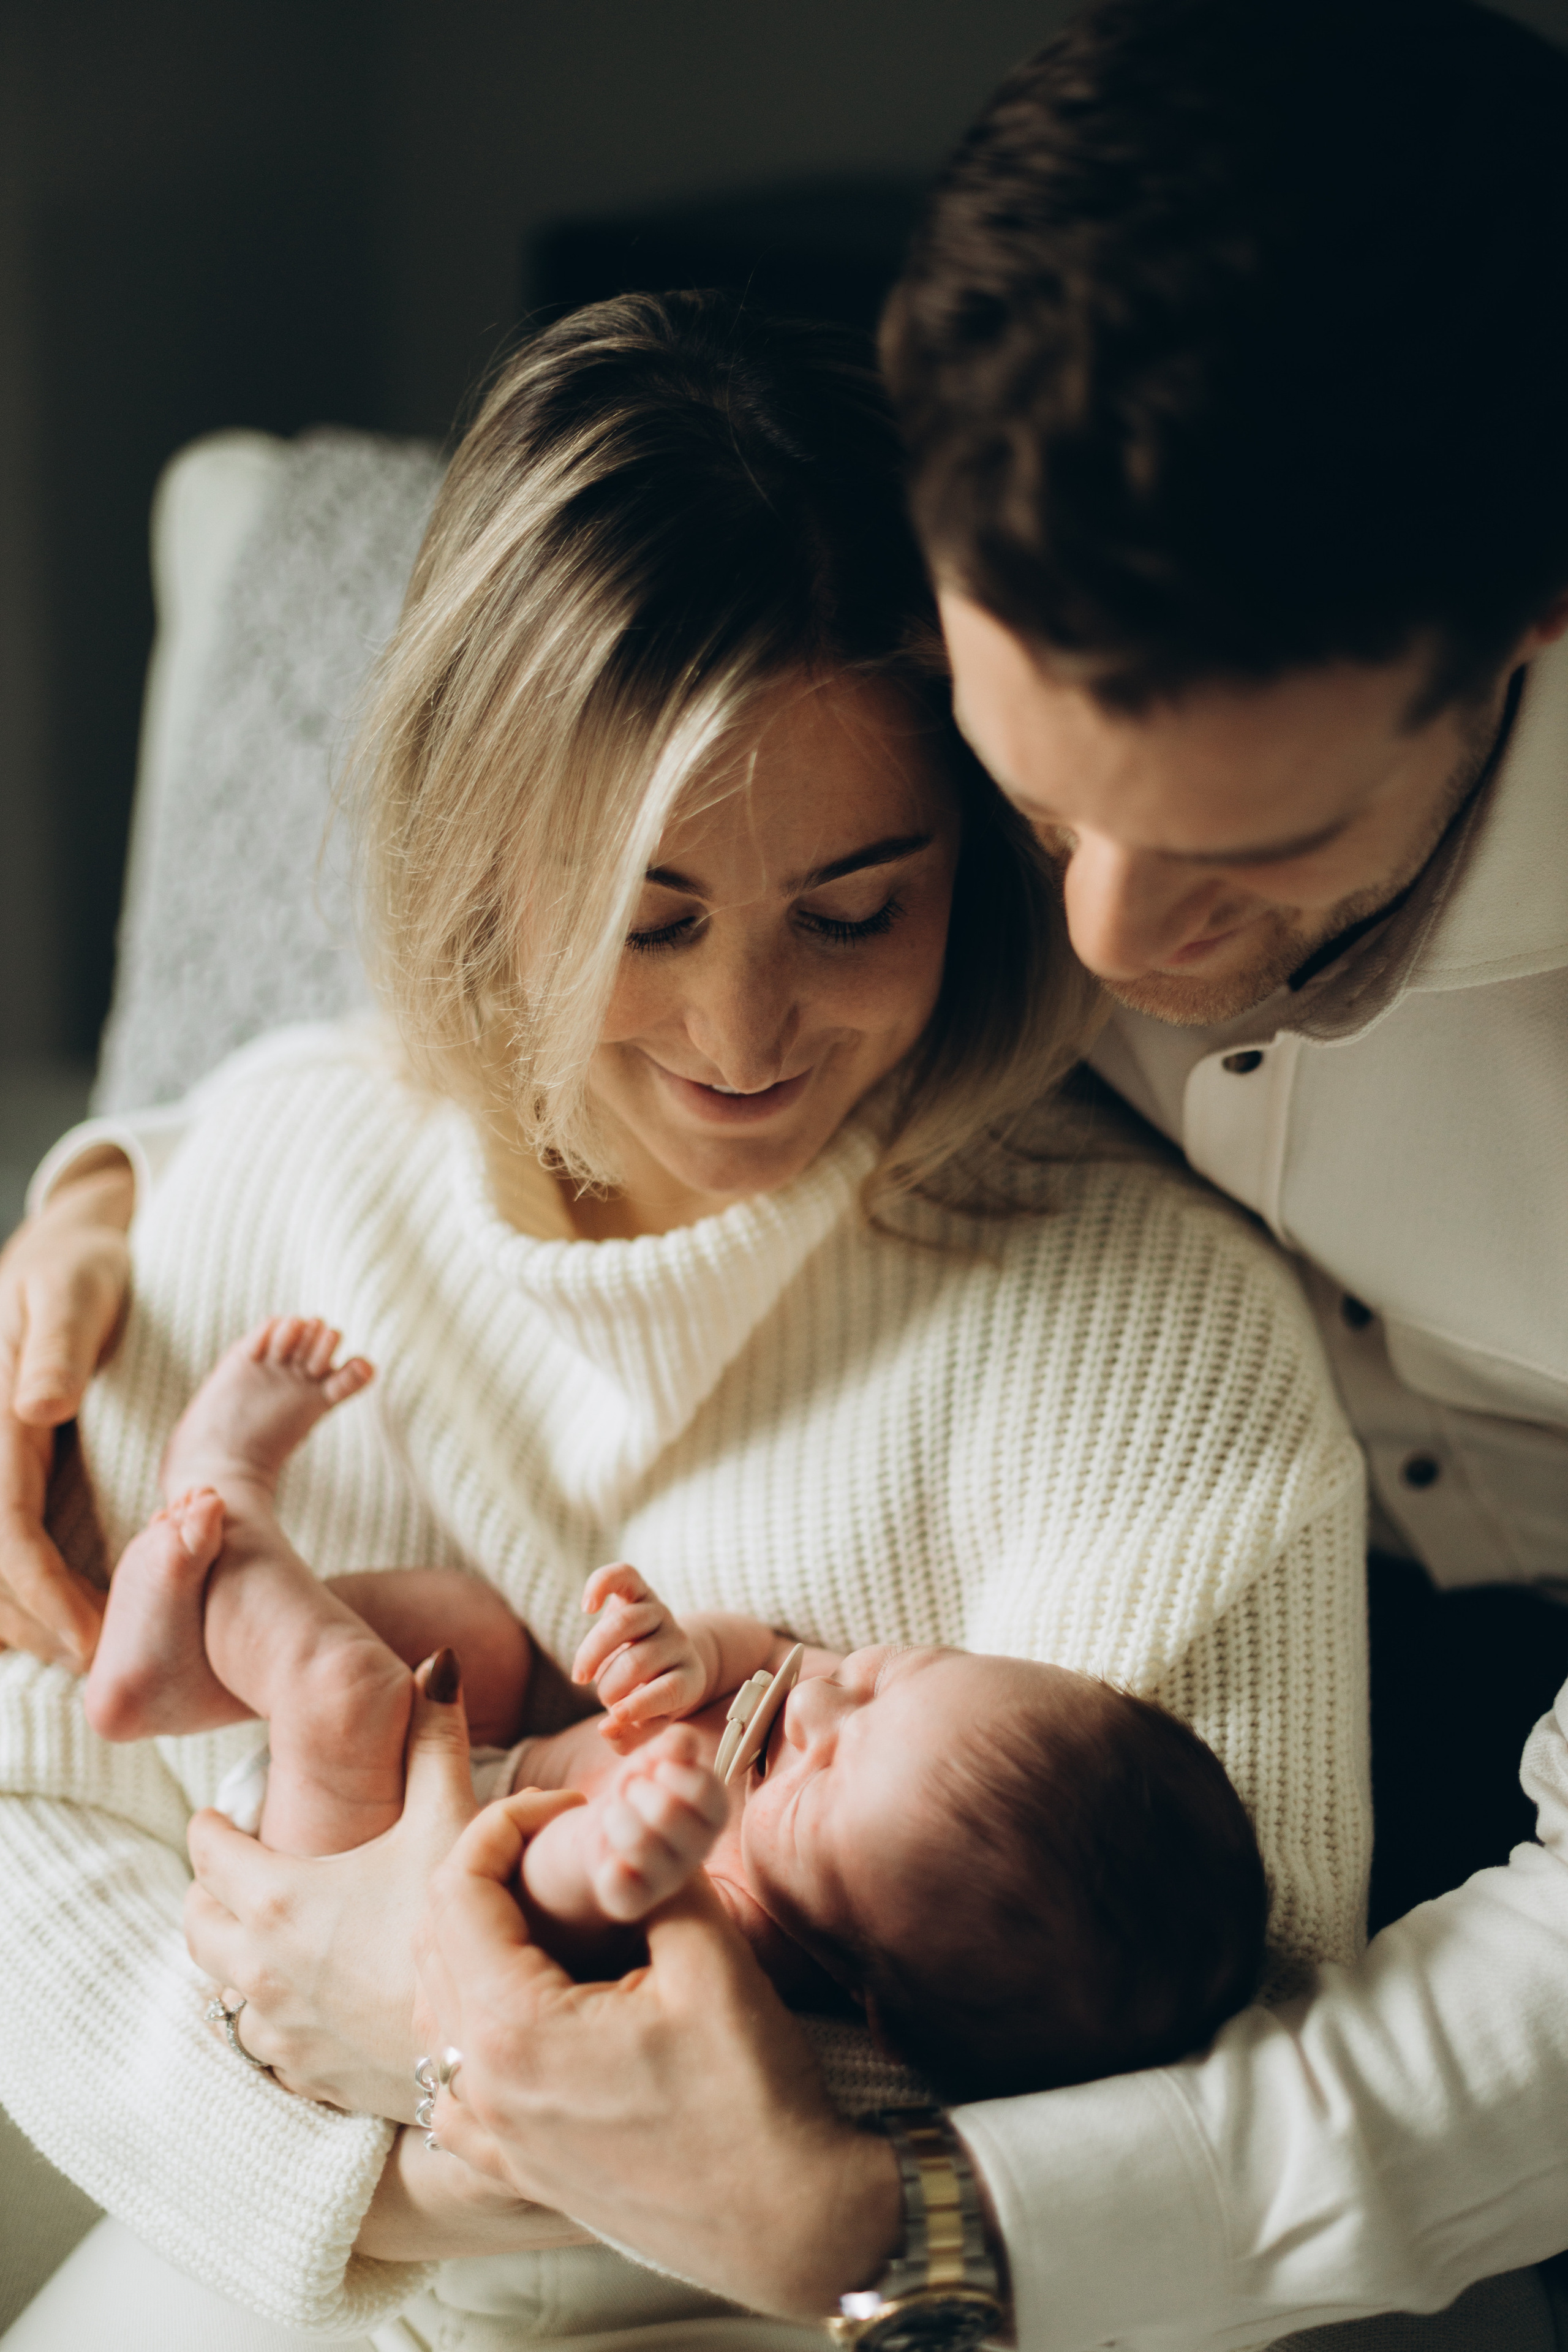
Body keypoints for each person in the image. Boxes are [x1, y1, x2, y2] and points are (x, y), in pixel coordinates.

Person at [0, 289, 1366, 2348]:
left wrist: (442, 2050)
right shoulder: (271, 1176)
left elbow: (1189, 2096)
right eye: (647, 915)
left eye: (857, 909)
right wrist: (389, 2169)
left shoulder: (1155, 1350)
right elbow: (32, 1822)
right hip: (282, 2266)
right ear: (486, 861)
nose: (744, 1036)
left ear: (983, 860)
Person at [88, 1316, 1270, 2102]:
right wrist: (685, 1650)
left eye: (821, 1782)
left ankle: (218, 1490)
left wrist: (616, 1859)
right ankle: (184, 1679)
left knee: (346, 1694)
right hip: (481, 1742)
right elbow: (770, 1653)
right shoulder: (811, 1721)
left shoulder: (736, 1938)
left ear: (866, 1986)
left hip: (346, 1870)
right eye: (889, 1674)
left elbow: (551, 1908)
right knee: (479, 1629)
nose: (815, 1709)